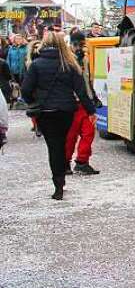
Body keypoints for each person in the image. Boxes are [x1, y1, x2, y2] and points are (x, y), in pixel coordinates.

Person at [20, 30, 95, 200]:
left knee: (54, 147)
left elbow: (25, 90)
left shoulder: (36, 64)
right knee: (62, 143)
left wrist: (34, 100)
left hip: (46, 112)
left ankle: (58, 184)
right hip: (67, 110)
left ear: (44, 44)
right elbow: (81, 91)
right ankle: (61, 177)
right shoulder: (70, 63)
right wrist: (91, 111)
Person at [64, 30, 100, 175]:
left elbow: (87, 80)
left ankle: (82, 161)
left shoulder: (84, 59)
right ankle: (65, 162)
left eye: (82, 45)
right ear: (71, 45)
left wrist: (93, 97)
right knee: (70, 136)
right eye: (77, 45)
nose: (79, 48)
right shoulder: (66, 60)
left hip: (85, 102)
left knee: (89, 132)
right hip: (72, 102)